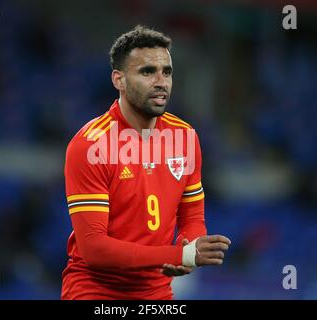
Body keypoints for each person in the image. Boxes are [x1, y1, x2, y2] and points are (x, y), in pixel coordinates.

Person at [61, 25, 231, 300]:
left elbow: (192, 217)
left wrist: (189, 245)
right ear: (119, 80)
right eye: (147, 72)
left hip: (156, 294)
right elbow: (94, 249)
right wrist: (178, 253)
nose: (161, 81)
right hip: (95, 292)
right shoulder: (90, 145)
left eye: (167, 71)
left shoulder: (185, 137)